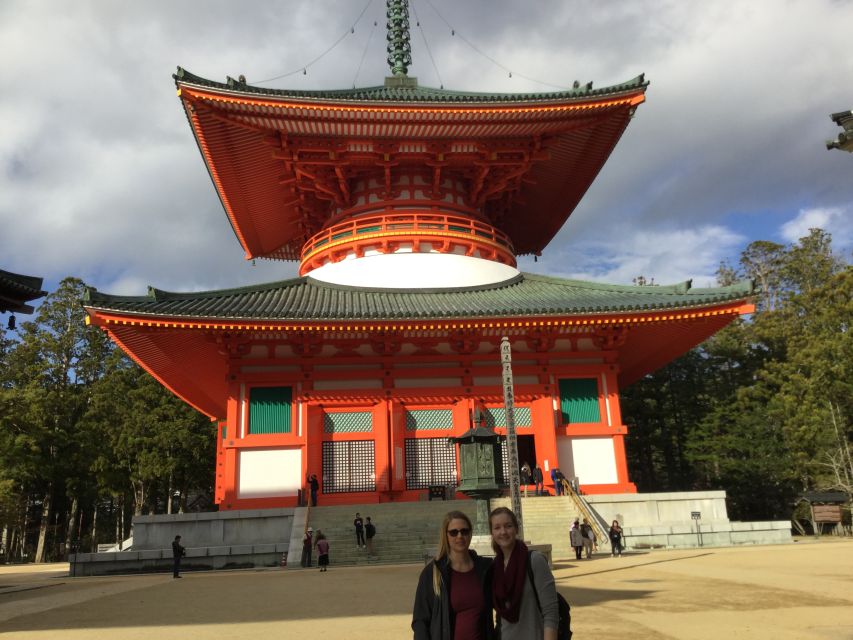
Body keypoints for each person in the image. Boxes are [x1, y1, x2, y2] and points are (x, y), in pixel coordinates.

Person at [411, 510, 495, 640]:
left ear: (471, 533)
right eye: (453, 532)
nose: (460, 536)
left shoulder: (485, 568)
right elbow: (420, 621)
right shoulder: (433, 573)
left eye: (464, 531)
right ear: (446, 536)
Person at [490, 506, 559, 640]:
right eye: (497, 528)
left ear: (516, 528)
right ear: (492, 533)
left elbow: (550, 612)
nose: (503, 532)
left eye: (508, 526)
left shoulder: (534, 560)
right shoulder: (494, 567)